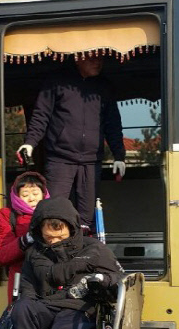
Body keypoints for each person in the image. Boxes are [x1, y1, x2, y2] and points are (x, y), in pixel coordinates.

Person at [12, 196, 124, 329]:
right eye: (49, 237)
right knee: (21, 308)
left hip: (77, 307)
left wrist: (100, 279)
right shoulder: (34, 253)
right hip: (45, 306)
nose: (55, 241)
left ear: (71, 228)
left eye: (60, 236)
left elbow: (118, 277)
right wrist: (29, 310)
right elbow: (27, 288)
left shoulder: (93, 248)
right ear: (40, 231)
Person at [16, 55, 126, 230]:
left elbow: (113, 124)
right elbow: (41, 115)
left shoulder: (104, 87)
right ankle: (55, 254)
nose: (97, 63)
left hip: (91, 161)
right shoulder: (57, 81)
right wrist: (30, 143)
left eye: (100, 60)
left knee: (87, 217)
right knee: (54, 210)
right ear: (78, 59)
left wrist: (119, 155)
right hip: (60, 158)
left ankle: (83, 254)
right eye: (92, 59)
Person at [0, 171, 49, 303]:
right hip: (21, 281)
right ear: (17, 197)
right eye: (25, 195)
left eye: (35, 193)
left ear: (44, 194)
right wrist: (26, 239)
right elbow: (0, 256)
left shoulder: (55, 212)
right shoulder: (7, 215)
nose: (32, 198)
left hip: (51, 278)